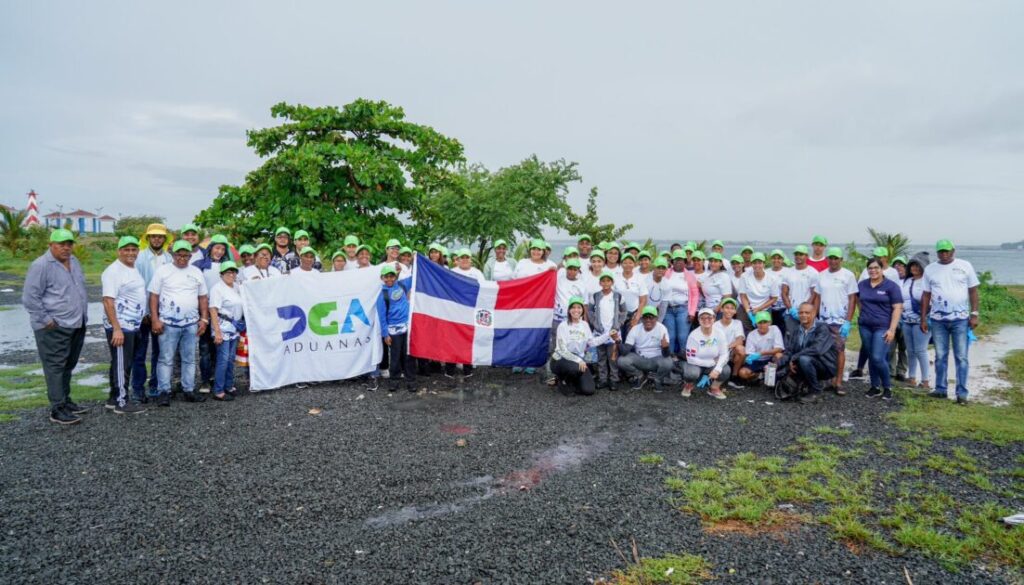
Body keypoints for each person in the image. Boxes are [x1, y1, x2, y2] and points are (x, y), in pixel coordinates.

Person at [23, 229, 90, 424]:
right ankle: (57, 408)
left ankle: (66, 400)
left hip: (76, 322)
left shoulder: (74, 261)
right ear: (51, 245)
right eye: (61, 244)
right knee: (55, 366)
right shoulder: (41, 265)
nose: (66, 247)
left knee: (69, 363)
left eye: (69, 243)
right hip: (54, 326)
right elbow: (30, 298)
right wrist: (45, 320)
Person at [149, 240, 209, 406]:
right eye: (179, 254)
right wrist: (155, 318)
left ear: (190, 255)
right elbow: (153, 296)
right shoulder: (163, 271)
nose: (182, 258)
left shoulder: (196, 271)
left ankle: (188, 389)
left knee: (189, 359)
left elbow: (202, 297)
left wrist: (204, 318)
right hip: (168, 323)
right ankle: (164, 391)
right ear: (173, 255)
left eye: (185, 255)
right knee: (166, 359)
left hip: (191, 324)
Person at [920, 239, 980, 404]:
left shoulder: (965, 266)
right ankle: (940, 389)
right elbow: (926, 295)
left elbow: (973, 291)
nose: (944, 254)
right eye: (941, 251)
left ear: (953, 251)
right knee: (940, 356)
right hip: (938, 320)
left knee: (961, 357)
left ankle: (961, 393)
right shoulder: (930, 269)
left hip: (960, 320)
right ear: (937, 252)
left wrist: (974, 314)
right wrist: (923, 318)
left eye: (947, 251)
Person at [100, 235, 147, 414]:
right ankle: (122, 401)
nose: (130, 253)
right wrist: (117, 329)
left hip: (132, 324)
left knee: (121, 362)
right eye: (126, 249)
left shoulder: (132, 268)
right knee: (122, 363)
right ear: (119, 251)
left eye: (133, 249)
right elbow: (107, 301)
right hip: (121, 325)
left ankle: (113, 398)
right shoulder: (113, 271)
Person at [132, 223, 172, 403]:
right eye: (153, 236)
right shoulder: (139, 258)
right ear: (147, 238)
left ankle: (155, 384)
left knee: (160, 352)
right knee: (139, 353)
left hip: (162, 313)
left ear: (165, 239)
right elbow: (137, 287)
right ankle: (138, 389)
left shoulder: (170, 259)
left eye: (160, 236)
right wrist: (146, 312)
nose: (157, 239)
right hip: (142, 314)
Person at [857, 258, 904, 400]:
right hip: (865, 326)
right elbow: (859, 301)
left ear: (882, 269)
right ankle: (875, 386)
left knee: (878, 357)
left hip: (882, 326)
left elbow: (897, 308)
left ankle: (887, 386)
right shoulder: (862, 285)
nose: (873, 270)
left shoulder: (891, 286)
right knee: (871, 356)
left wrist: (892, 329)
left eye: (876, 267)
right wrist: (863, 314)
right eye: (870, 268)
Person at [816, 247, 858, 395]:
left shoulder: (848, 275)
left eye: (836, 258)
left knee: (839, 350)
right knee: (824, 351)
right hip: (823, 320)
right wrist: (815, 317)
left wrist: (848, 320)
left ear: (841, 260)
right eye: (831, 258)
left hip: (840, 321)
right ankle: (828, 379)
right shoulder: (821, 275)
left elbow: (853, 298)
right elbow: (818, 298)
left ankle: (838, 382)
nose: (833, 261)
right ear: (827, 259)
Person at [777, 302, 838, 404]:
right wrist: (777, 364)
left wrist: (794, 358)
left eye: (807, 312)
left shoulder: (822, 328)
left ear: (814, 313)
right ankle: (808, 383)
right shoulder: (796, 330)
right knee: (779, 376)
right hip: (805, 362)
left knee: (804, 359)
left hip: (825, 366)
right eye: (801, 313)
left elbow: (816, 349)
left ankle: (816, 391)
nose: (803, 315)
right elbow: (789, 351)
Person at [193, 234, 230, 393]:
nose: (219, 251)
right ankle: (205, 380)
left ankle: (217, 377)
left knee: (219, 347)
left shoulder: (229, 266)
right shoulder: (199, 265)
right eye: (217, 248)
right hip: (205, 311)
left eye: (223, 249)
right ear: (210, 248)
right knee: (205, 347)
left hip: (223, 313)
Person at [209, 261, 245, 401]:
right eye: (228, 272)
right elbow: (213, 310)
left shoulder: (237, 287)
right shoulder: (217, 289)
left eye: (233, 272)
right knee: (223, 360)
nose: (231, 274)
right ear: (221, 274)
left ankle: (229, 386)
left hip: (234, 330)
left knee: (230, 360)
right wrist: (217, 331)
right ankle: (218, 390)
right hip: (223, 329)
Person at [378, 265, 416, 392]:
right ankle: (394, 380)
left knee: (409, 355)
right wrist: (385, 334)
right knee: (395, 356)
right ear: (382, 278)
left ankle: (411, 380)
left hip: (407, 328)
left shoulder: (402, 285)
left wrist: (416, 260)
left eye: (392, 276)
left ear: (396, 276)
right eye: (386, 276)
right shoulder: (382, 294)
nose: (389, 279)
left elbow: (415, 276)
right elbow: (382, 316)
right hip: (393, 330)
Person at [617, 305, 673, 392]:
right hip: (640, 360)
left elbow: (666, 354)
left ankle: (657, 380)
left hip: (656, 360)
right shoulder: (635, 329)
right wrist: (618, 341)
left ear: (656, 318)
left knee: (668, 362)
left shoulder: (662, 328)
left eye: (651, 317)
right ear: (642, 318)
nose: (648, 320)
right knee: (622, 360)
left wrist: (665, 347)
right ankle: (640, 375)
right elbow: (625, 351)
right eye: (645, 317)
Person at [550, 296, 597, 395]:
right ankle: (563, 381)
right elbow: (562, 350)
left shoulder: (584, 324)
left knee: (589, 390)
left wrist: (608, 335)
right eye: (573, 307)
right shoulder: (563, 325)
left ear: (583, 310)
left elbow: (592, 342)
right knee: (575, 368)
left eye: (579, 307)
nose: (576, 310)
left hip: (577, 359)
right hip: (560, 359)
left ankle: (573, 380)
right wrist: (579, 360)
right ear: (569, 310)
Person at [681, 308, 731, 399]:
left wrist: (717, 369)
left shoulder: (719, 333)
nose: (706, 320)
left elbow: (724, 353)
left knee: (725, 370)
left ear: (714, 318)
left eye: (709, 317)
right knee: (691, 373)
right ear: (699, 320)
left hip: (713, 363)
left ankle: (714, 388)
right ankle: (688, 385)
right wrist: (709, 363)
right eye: (702, 318)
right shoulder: (693, 335)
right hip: (696, 364)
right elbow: (690, 358)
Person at [588, 270, 625, 391]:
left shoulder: (618, 296)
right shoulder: (596, 296)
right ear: (600, 282)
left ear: (612, 282)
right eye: (603, 281)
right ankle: (602, 379)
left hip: (613, 333)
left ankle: (614, 379)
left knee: (612, 358)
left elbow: (624, 312)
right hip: (600, 333)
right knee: (601, 357)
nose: (605, 283)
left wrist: (618, 324)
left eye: (608, 280)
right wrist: (594, 323)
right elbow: (590, 311)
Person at [901, 255, 931, 389]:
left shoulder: (927, 281)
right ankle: (911, 377)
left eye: (918, 265)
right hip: (907, 321)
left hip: (921, 321)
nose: (915, 268)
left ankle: (925, 381)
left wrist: (924, 318)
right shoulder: (907, 281)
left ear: (923, 267)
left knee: (921, 350)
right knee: (911, 350)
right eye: (912, 265)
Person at [664, 250, 699, 354]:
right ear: (672, 261)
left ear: (685, 262)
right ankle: (670, 360)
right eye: (676, 260)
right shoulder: (666, 273)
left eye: (681, 260)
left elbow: (695, 294)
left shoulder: (689, 275)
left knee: (683, 337)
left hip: (683, 309)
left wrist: (692, 312)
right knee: (670, 336)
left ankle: (684, 359)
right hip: (668, 310)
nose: (679, 262)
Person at [735, 311, 785, 384]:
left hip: (771, 358)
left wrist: (761, 353)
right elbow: (749, 354)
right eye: (759, 322)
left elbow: (779, 348)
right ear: (756, 323)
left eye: (764, 322)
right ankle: (760, 376)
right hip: (757, 361)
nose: (762, 325)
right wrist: (750, 358)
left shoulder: (775, 329)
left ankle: (773, 376)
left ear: (769, 322)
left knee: (779, 355)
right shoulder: (751, 335)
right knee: (743, 373)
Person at [781, 245, 820, 336]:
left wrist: (804, 309)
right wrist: (791, 309)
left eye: (801, 254)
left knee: (807, 338)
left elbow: (814, 294)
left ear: (806, 256)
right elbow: (784, 293)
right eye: (796, 254)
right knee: (792, 338)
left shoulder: (813, 272)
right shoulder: (788, 272)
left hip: (807, 314)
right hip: (791, 313)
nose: (798, 256)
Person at [738, 252, 780, 333]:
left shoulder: (772, 278)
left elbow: (774, 298)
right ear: (751, 264)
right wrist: (748, 310)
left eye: (760, 263)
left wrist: (758, 309)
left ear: (764, 264)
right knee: (747, 332)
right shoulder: (744, 276)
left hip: (764, 309)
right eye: (754, 263)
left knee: (765, 333)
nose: (757, 265)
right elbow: (742, 295)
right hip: (747, 308)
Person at [614, 252, 648, 340]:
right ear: (621, 264)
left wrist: (637, 317)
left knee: (631, 340)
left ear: (635, 264)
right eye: (625, 262)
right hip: (619, 314)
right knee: (619, 339)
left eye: (630, 262)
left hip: (634, 313)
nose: (627, 265)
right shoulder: (616, 278)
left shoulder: (639, 279)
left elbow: (643, 300)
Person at [713, 299, 746, 388]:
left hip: (731, 351)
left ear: (735, 311)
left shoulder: (737, 323)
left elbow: (740, 340)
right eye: (727, 308)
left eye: (732, 308)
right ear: (722, 309)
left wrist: (727, 347)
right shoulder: (715, 325)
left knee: (741, 349)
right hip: (718, 352)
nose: (729, 310)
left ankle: (734, 376)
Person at [767, 249, 790, 330]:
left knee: (784, 331)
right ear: (770, 259)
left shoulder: (788, 272)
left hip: (784, 308)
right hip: (769, 308)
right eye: (774, 258)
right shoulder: (766, 272)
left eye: (779, 258)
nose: (776, 260)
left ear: (782, 260)